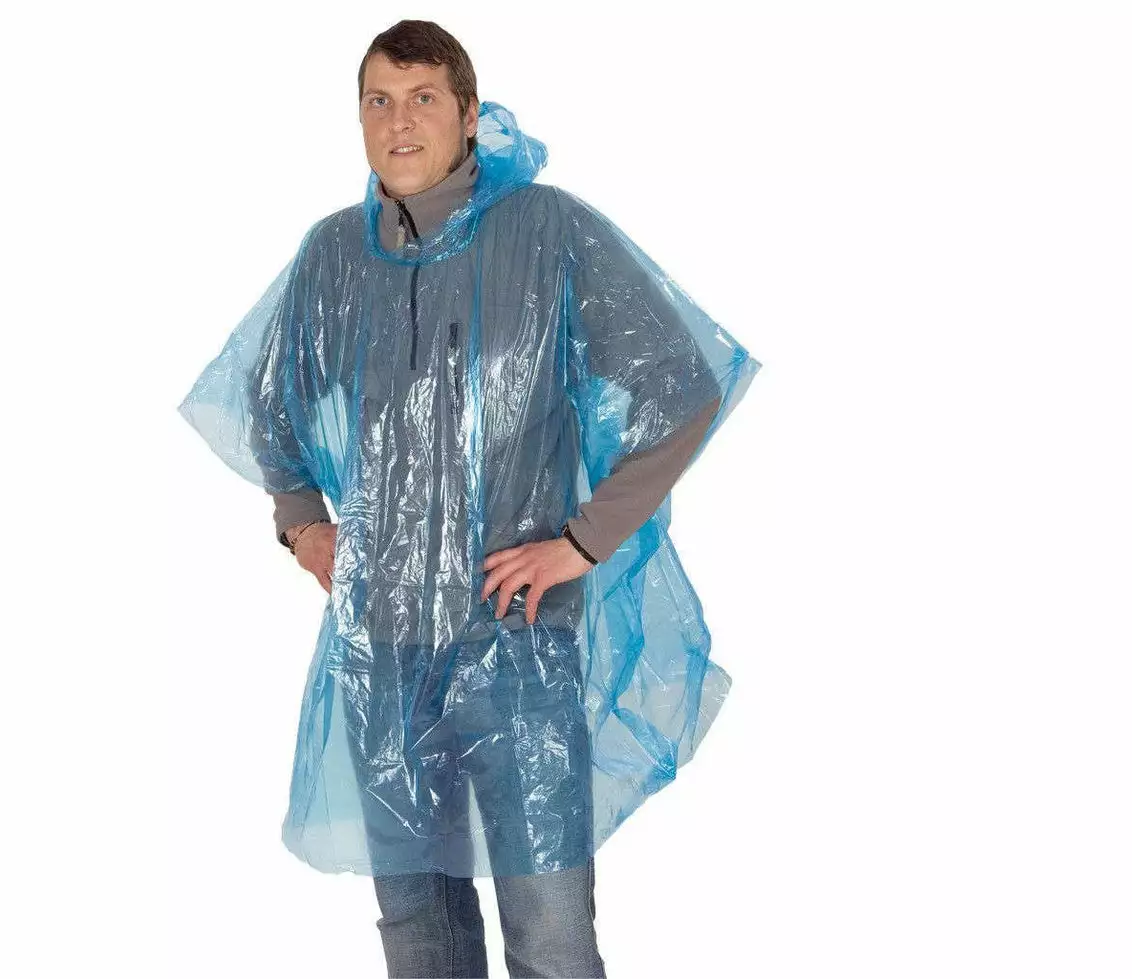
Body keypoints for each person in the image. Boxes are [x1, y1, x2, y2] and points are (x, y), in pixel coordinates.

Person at [180, 19, 761, 979]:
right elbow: (268, 402)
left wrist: (582, 541)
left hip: (516, 643)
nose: (398, 122)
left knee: (551, 936)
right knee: (420, 932)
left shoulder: (547, 231)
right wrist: (302, 522)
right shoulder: (334, 254)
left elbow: (682, 385)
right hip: (382, 649)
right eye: (378, 101)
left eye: (422, 99)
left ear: (468, 113)